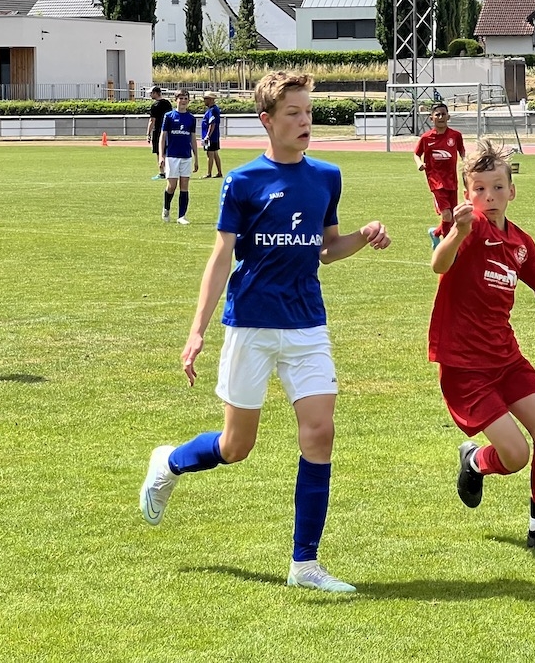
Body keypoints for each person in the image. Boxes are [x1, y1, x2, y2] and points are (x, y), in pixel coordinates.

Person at [138, 71, 391, 593]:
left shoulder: (327, 177)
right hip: (250, 324)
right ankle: (169, 463)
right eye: (293, 113)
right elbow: (220, 257)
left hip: (307, 324)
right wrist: (197, 331)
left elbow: (327, 249)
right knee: (236, 446)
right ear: (267, 121)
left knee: (320, 433)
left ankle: (305, 565)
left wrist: (364, 236)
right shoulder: (243, 181)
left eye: (308, 112)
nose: (305, 121)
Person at [430, 139, 535, 554]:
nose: (489, 196)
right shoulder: (469, 230)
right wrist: (457, 231)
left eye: (498, 187)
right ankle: (474, 461)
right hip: (465, 367)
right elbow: (438, 264)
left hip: (506, 358)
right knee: (515, 456)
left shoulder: (521, 243)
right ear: (468, 194)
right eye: (480, 189)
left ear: (512, 191)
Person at [414, 102, 466, 249]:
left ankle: (436, 233)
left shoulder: (455, 136)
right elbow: (416, 154)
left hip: (452, 181)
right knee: (447, 215)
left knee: (453, 217)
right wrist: (419, 163)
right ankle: (448, 248)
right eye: (437, 114)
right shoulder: (426, 138)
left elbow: (462, 151)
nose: (441, 117)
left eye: (443, 114)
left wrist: (467, 162)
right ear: (432, 118)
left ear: (448, 116)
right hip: (436, 182)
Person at [159, 91, 198, 224]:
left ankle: (181, 216)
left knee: (184, 185)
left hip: (186, 156)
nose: (183, 101)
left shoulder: (191, 118)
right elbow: (162, 137)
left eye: (186, 98)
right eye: (181, 98)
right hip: (172, 156)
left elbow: (193, 138)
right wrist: (161, 155)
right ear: (176, 100)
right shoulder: (169, 116)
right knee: (172, 186)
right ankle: (166, 208)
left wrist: (196, 157)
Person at [146, 86, 173, 179]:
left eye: (151, 93)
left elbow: (152, 120)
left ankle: (162, 172)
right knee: (167, 151)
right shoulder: (167, 103)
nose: (150, 95)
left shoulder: (155, 105)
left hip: (158, 130)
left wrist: (148, 133)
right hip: (168, 130)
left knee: (159, 151)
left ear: (155, 93)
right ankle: (169, 171)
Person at [200, 91, 223, 179]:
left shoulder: (212, 110)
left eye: (206, 99)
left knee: (210, 154)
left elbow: (212, 123)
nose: (204, 101)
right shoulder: (213, 109)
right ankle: (219, 172)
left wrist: (208, 136)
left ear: (210, 100)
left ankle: (209, 173)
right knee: (215, 154)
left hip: (211, 137)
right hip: (214, 136)